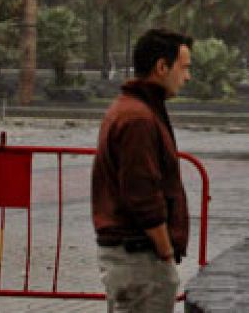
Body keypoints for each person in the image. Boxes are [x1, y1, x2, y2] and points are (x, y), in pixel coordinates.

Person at [92, 28, 193, 312]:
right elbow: (142, 193)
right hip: (139, 257)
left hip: (134, 255)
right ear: (162, 67)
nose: (187, 77)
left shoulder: (135, 109)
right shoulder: (138, 118)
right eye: (184, 68)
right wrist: (165, 250)